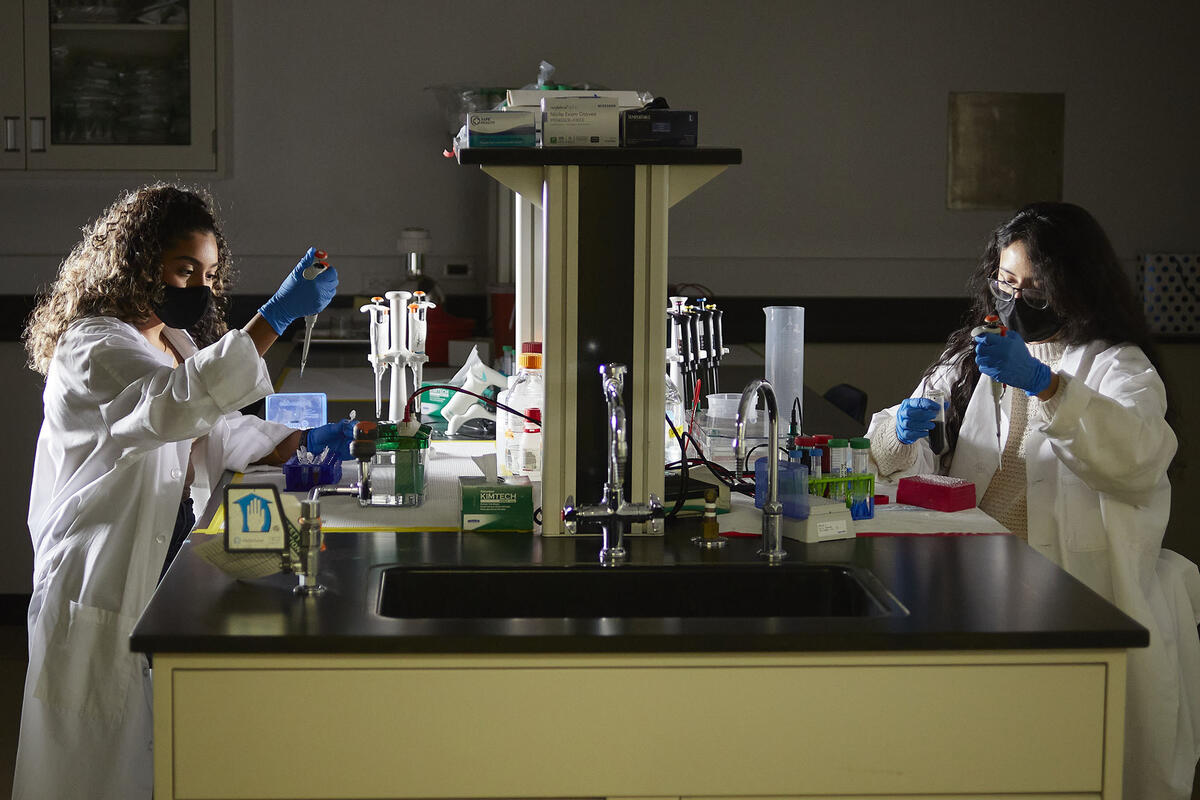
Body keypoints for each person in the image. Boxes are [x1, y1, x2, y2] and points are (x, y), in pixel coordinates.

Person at [14, 183, 355, 799]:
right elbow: (173, 407)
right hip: (98, 580)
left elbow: (214, 433)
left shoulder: (177, 345)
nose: (196, 286)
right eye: (183, 269)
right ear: (139, 262)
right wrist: (275, 316)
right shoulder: (91, 347)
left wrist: (305, 439)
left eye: (207, 273)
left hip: (157, 573)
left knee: (154, 757)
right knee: (90, 771)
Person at [866, 202, 1200, 799]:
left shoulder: (1118, 368)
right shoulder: (976, 358)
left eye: (1037, 287)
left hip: (1078, 598)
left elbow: (1138, 461)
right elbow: (888, 455)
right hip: (979, 590)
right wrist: (902, 429)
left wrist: (1046, 384)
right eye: (1007, 283)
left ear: (1075, 286)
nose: (1017, 300)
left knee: (1065, 769)